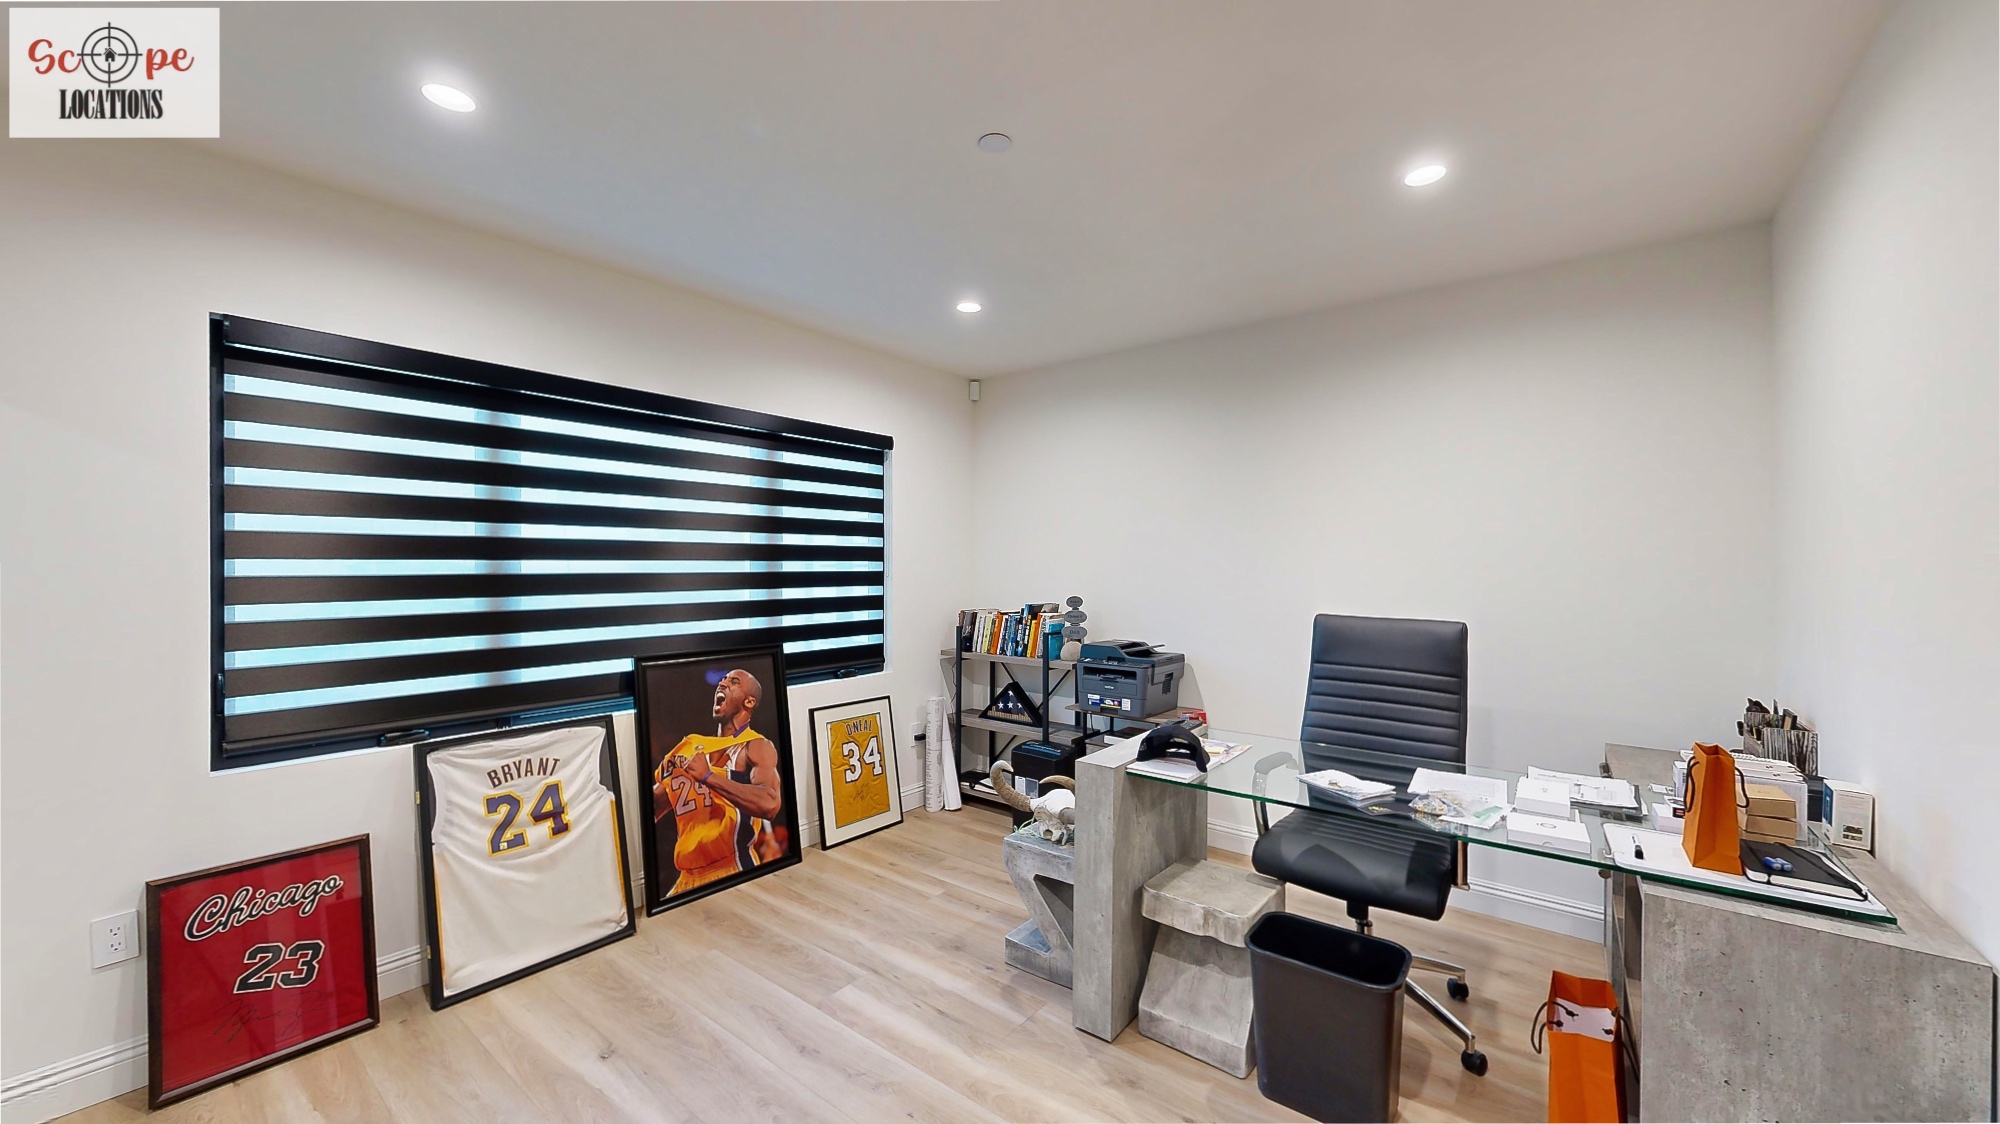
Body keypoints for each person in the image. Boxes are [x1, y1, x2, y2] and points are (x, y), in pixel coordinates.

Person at [652, 668, 785, 894]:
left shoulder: (756, 745)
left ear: (749, 701)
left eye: (734, 682)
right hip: (686, 876)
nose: (722, 684)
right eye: (722, 680)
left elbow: (770, 804)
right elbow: (655, 805)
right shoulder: (688, 746)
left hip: (731, 867)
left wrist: (708, 776)